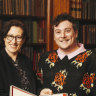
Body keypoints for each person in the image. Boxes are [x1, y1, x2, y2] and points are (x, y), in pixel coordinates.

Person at [37, 13, 96, 96]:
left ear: (75, 33)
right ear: (54, 36)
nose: (63, 36)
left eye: (67, 31)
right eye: (58, 32)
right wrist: (40, 92)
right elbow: (37, 87)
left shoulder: (92, 58)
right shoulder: (45, 58)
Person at [0, 19, 37, 96]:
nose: (14, 41)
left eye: (18, 37)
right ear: (4, 38)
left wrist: (42, 91)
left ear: (23, 40)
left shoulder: (27, 61)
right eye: (10, 36)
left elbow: (35, 86)